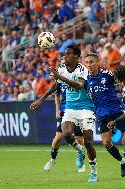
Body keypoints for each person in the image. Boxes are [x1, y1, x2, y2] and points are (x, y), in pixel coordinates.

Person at [30, 45, 98, 182]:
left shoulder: (82, 69)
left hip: (85, 108)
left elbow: (79, 85)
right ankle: (80, 150)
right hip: (70, 107)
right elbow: (57, 86)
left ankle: (93, 171)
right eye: (64, 54)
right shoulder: (61, 69)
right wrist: (41, 99)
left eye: (68, 54)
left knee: (89, 141)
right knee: (66, 133)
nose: (64, 57)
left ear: (76, 57)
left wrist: (60, 76)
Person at [85, 52, 125, 177]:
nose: (89, 65)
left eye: (91, 62)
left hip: (116, 112)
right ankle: (122, 161)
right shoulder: (85, 79)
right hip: (102, 115)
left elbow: (121, 82)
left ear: (97, 62)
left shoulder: (107, 74)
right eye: (86, 62)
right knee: (106, 143)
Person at [43, 82, 86, 172]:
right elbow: (57, 94)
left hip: (77, 111)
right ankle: (53, 159)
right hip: (64, 112)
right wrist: (57, 110)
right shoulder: (61, 79)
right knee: (57, 138)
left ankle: (80, 159)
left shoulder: (79, 78)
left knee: (79, 139)